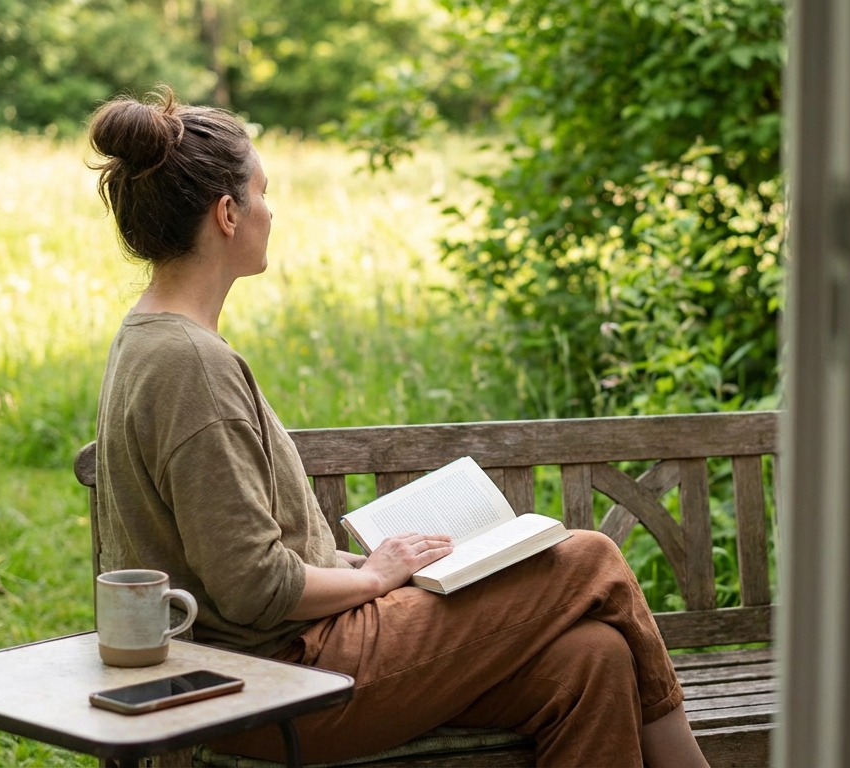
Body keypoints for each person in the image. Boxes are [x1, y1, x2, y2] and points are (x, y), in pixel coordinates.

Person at [88, 86, 710, 768]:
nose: (272, 210)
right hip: (267, 686)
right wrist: (378, 578)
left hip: (277, 661)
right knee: (589, 559)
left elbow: (233, 557)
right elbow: (255, 589)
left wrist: (382, 566)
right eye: (263, 193)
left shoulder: (151, 340)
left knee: (591, 660)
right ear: (228, 213)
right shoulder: (191, 365)